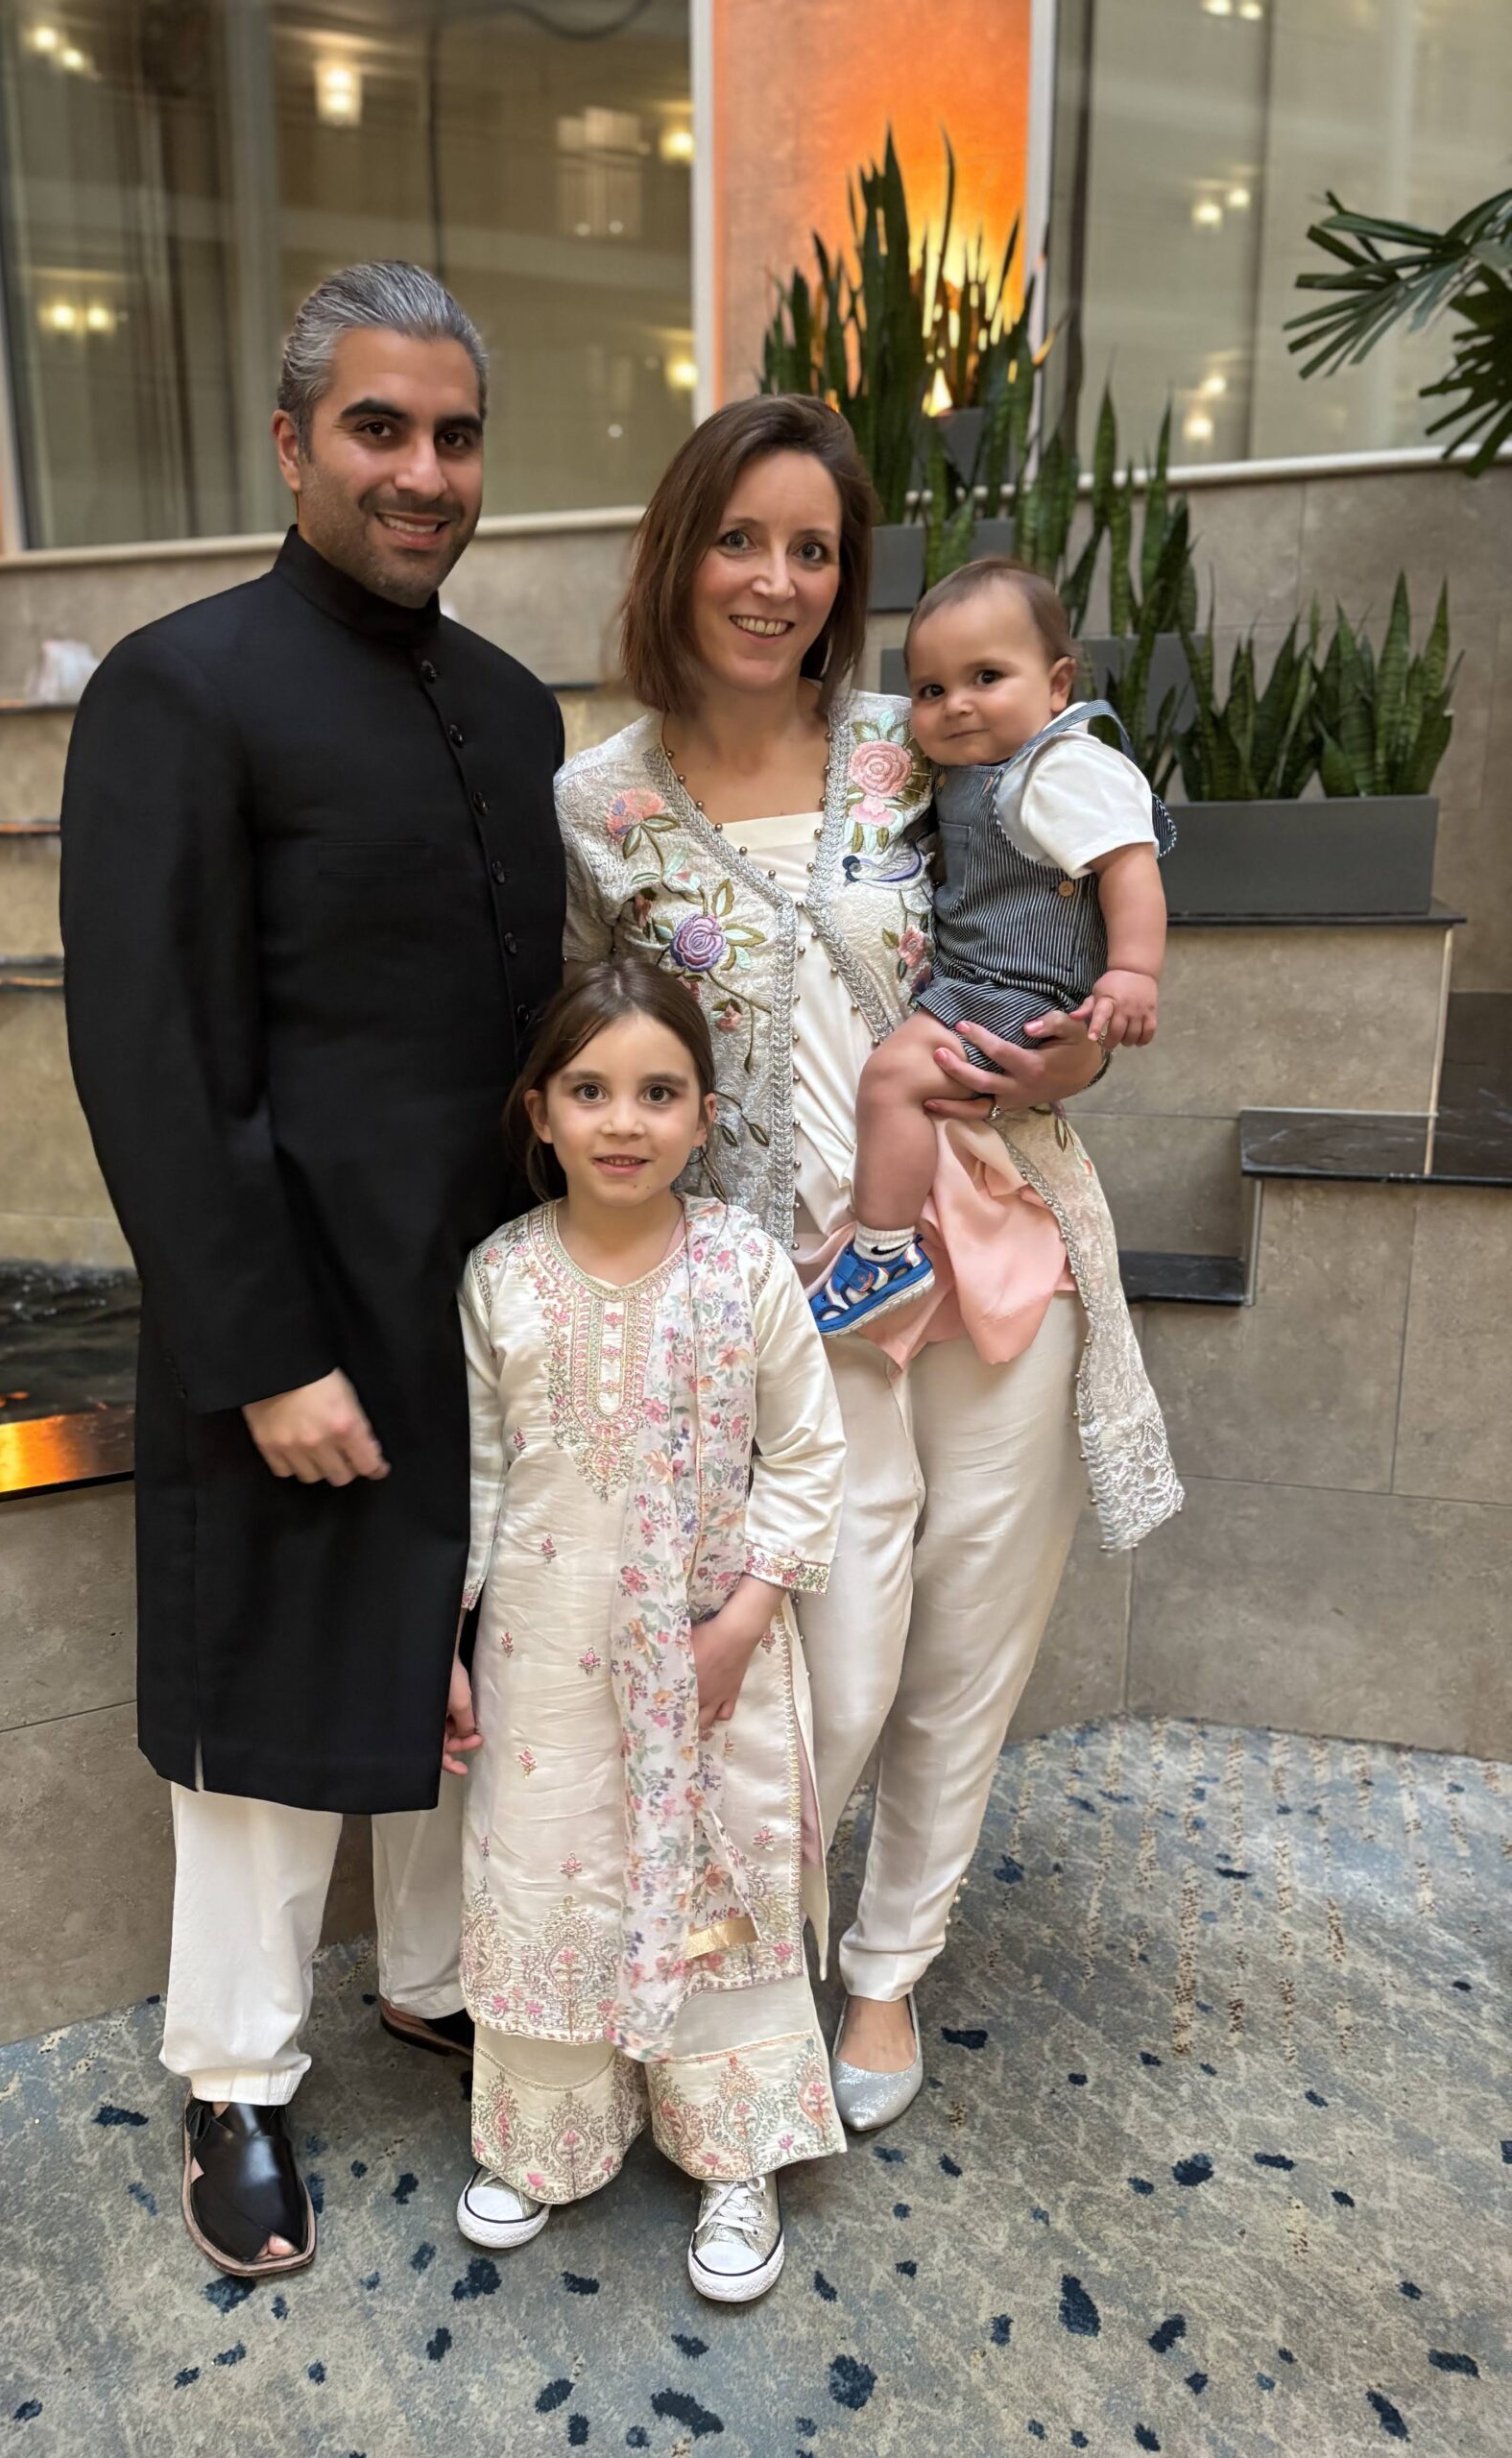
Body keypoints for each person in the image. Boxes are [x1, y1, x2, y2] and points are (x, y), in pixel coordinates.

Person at [555, 394, 1181, 2140]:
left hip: (995, 1239)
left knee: (973, 1621)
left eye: (814, 550)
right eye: (741, 540)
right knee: (827, 1659)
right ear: (677, 551)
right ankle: (751, 1951)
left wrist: (1079, 1048)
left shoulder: (933, 736)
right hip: (789, 1300)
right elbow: (594, 1050)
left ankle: (892, 1964)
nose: (776, 581)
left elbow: (1085, 906)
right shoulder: (595, 801)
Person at [60, 262, 566, 2279]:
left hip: (483, 1296)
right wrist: (263, 1349)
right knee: (270, 1708)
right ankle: (237, 2077)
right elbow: (152, 1055)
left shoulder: (513, 709)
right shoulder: (181, 688)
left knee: (465, 1664)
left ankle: (435, 1985)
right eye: (378, 429)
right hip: (284, 1297)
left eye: (454, 435)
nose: (422, 472)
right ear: (290, 445)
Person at [445, 962, 847, 2304]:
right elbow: (475, 1479)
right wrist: (444, 1647)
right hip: (540, 1658)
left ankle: (736, 2151)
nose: (624, 1121)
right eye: (591, 1090)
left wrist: (745, 1621)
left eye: (659, 1093)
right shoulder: (500, 1278)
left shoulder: (743, 1267)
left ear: (705, 1115)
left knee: (719, 1881)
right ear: (540, 1113)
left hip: (712, 1654)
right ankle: (544, 2137)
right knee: (548, 1873)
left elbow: (808, 1455)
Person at [811, 557, 1173, 1335]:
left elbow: (1129, 866)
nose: (958, 705)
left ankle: (882, 1253)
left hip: (1023, 994)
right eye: (931, 690)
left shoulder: (1062, 768)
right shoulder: (969, 773)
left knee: (893, 1079)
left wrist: (1132, 971)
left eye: (986, 677)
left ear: (1057, 685)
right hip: (983, 980)